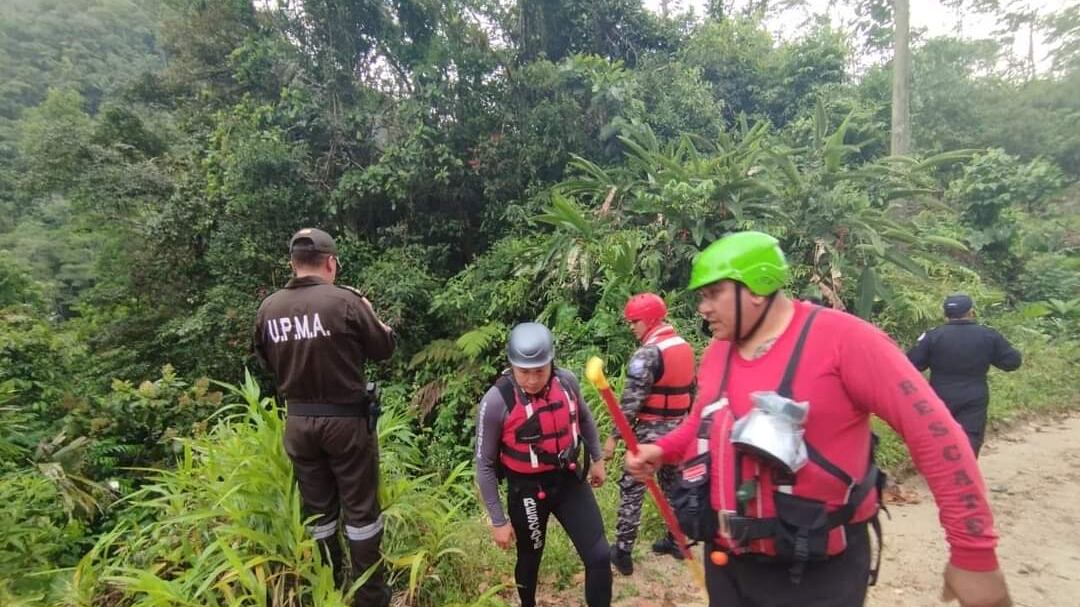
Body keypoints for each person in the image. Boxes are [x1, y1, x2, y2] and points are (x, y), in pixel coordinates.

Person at [626, 231, 1011, 607]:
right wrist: (661, 450)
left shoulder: (845, 341)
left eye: (713, 294)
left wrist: (973, 555)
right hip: (728, 564)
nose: (703, 308)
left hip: (815, 572)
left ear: (757, 288)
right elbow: (704, 425)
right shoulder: (717, 353)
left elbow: (936, 436)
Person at [253, 228, 396, 607]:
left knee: (319, 516)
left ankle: (328, 590)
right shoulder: (345, 302)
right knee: (362, 515)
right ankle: (371, 597)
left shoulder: (269, 308)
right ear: (331, 262)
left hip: (298, 423)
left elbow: (265, 360)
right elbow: (383, 348)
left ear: (293, 264)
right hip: (346, 423)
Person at [475, 322, 612, 607]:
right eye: (524, 371)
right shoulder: (497, 401)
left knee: (599, 555)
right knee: (530, 558)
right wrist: (498, 520)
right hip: (527, 490)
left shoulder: (567, 382)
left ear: (551, 362)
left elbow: (584, 419)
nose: (533, 379)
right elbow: (485, 464)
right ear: (512, 366)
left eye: (540, 369)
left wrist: (597, 459)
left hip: (568, 481)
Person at [604, 293, 696, 575]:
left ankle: (622, 551)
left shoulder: (648, 354)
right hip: (678, 429)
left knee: (633, 488)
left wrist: (612, 438)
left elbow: (630, 404)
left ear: (650, 320)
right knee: (674, 486)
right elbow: (692, 392)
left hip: (651, 433)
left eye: (635, 321)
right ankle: (678, 542)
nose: (631, 327)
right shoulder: (683, 346)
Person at [907, 294, 1022, 457]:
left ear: (945, 314)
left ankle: (942, 471)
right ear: (971, 312)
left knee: (940, 435)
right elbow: (1012, 362)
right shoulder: (988, 335)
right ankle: (965, 472)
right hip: (974, 394)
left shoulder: (932, 336)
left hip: (940, 394)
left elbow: (911, 364)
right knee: (971, 437)